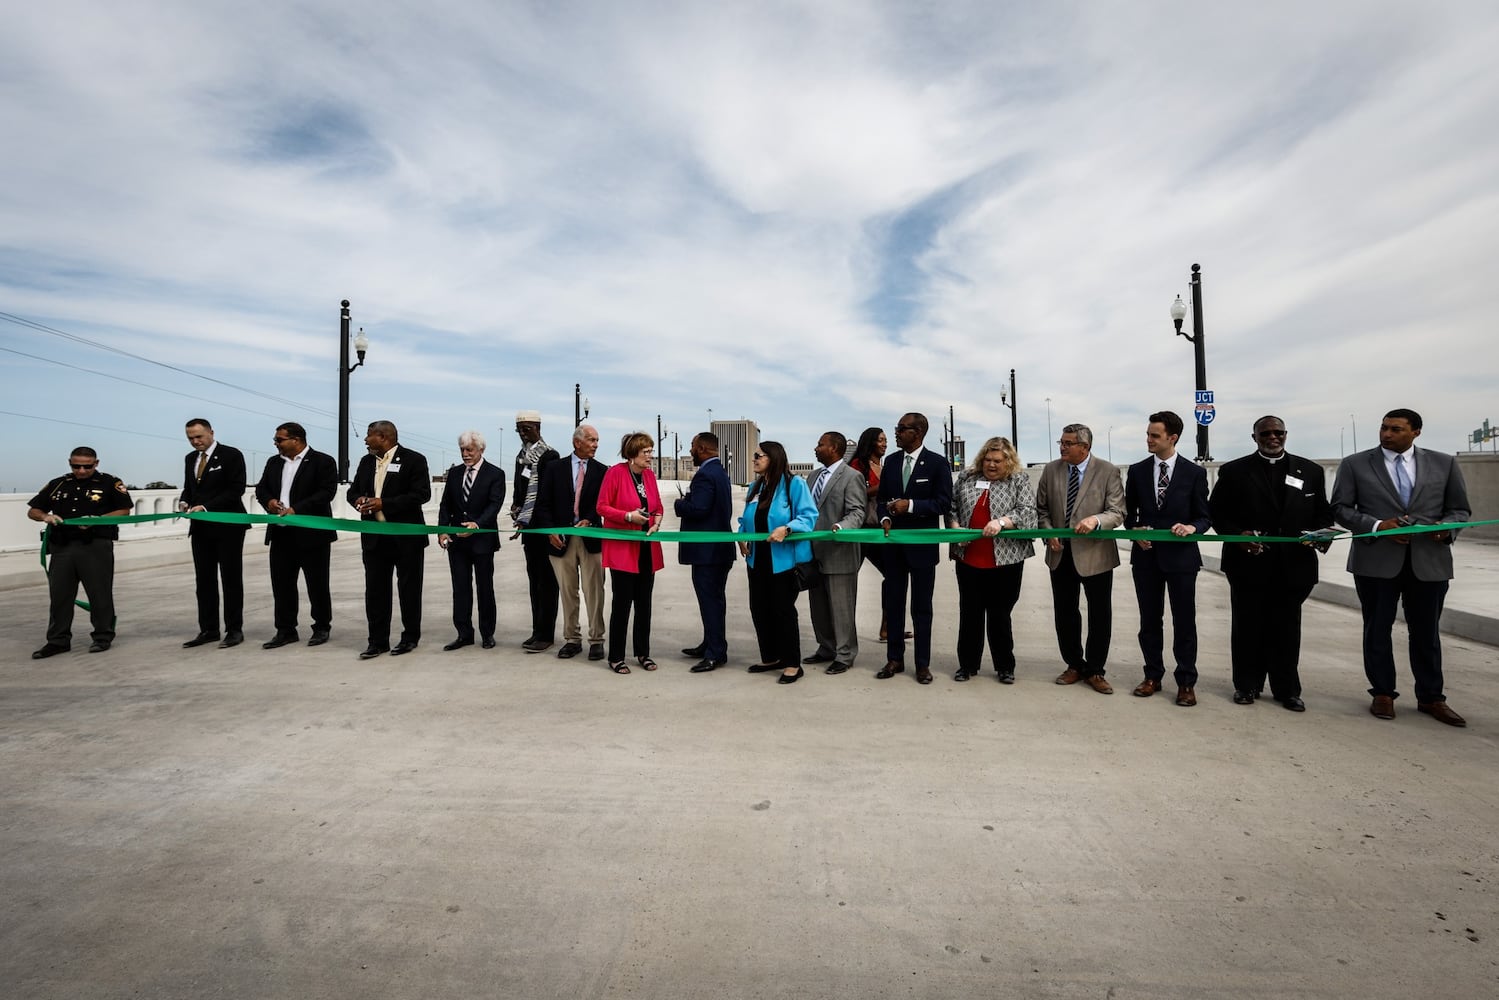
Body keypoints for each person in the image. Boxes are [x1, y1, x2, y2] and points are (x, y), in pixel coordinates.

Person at [1332, 408, 1472, 726]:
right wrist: (1380, 525)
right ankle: (1382, 693)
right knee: (1376, 629)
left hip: (1429, 563)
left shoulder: (1444, 463)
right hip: (1376, 563)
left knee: (1426, 633)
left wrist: (1445, 529)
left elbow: (1459, 509)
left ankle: (1431, 698)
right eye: (1384, 428)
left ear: (1416, 432)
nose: (1386, 434)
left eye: (1396, 429)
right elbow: (1340, 508)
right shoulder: (1355, 464)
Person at [1210, 415, 1333, 711]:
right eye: (1266, 433)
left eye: (1278, 432)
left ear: (1286, 435)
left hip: (1295, 566)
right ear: (1255, 437)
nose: (1273, 437)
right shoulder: (1234, 471)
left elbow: (1323, 515)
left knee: (1287, 629)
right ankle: (1246, 685)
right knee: (1247, 627)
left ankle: (1286, 689)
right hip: (1248, 564)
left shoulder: (1312, 471)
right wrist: (1238, 535)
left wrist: (1319, 534)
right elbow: (1217, 514)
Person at [1123, 411, 1212, 707]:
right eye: (1148, 434)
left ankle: (1186, 681)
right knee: (1149, 620)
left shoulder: (1194, 473)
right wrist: (1136, 531)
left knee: (1184, 621)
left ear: (1172, 438)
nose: (1148, 440)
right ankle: (1152, 676)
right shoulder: (1136, 471)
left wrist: (1191, 528)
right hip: (1146, 558)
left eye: (1155, 436)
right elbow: (1129, 515)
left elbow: (1204, 516)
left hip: (1182, 559)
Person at [1035, 422, 1125, 694]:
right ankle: (1074, 664)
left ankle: (1095, 670)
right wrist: (1048, 534)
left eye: (1068, 443)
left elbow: (1117, 512)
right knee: (1065, 613)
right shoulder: (1051, 470)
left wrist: (1096, 520)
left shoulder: (1108, 471)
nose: (1062, 447)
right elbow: (1041, 510)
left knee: (1099, 614)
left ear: (1085, 447)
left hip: (1096, 555)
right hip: (1060, 554)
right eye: (1061, 442)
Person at [947, 436, 1036, 684]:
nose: (992, 465)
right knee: (970, 614)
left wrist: (1001, 522)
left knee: (999, 615)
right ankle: (967, 665)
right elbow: (952, 506)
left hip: (1005, 560)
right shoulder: (967, 478)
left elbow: (1028, 512)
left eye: (997, 461)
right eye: (987, 459)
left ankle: (1005, 667)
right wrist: (956, 529)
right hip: (969, 557)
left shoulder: (1018, 480)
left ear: (1008, 461)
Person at [28, 447, 132, 658]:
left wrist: (97, 520)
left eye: (87, 466)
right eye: (77, 466)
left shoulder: (110, 483)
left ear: (96, 463)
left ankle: (102, 637)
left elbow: (124, 510)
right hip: (62, 547)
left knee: (99, 594)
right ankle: (57, 640)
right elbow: (33, 510)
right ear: (70, 463)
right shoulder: (59, 483)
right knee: (60, 596)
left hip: (95, 545)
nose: (82, 470)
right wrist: (45, 517)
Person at [876, 413, 953, 685]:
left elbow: (943, 504)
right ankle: (894, 659)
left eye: (901, 429)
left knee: (921, 608)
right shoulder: (892, 462)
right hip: (894, 548)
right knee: (894, 604)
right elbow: (882, 499)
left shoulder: (937, 464)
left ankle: (922, 664)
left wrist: (909, 505)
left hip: (922, 548)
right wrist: (885, 516)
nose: (895, 433)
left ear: (918, 432)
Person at [347, 421, 430, 659]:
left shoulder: (414, 460)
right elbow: (352, 491)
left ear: (383, 437)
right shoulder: (366, 462)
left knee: (409, 590)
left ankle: (410, 637)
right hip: (374, 538)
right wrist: (359, 500)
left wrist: (385, 503)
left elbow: (421, 494)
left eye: (368, 436)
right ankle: (377, 641)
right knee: (375, 590)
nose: (365, 440)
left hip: (406, 539)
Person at [737, 441, 819, 684]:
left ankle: (793, 663)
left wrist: (787, 528)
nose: (754, 459)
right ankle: (771, 657)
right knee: (759, 609)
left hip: (784, 561)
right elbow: (747, 518)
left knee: (783, 611)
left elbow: (808, 516)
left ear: (773, 458)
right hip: (757, 559)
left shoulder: (795, 485)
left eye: (758, 455)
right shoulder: (755, 486)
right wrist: (742, 536)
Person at [254, 422, 338, 649]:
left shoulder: (323, 461)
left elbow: (326, 493)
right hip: (281, 534)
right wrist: (269, 502)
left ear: (296, 440)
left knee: (317, 584)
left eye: (279, 440)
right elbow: (261, 489)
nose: (276, 444)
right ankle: (285, 629)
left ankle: (321, 627)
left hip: (313, 534)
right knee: (282, 585)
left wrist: (296, 509)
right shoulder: (273, 463)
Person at [533, 424, 608, 661]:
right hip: (560, 541)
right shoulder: (554, 469)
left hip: (591, 540)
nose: (596, 444)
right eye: (592, 440)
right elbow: (542, 504)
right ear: (577, 442)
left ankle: (596, 639)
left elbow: (604, 505)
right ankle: (572, 639)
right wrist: (550, 532)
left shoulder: (602, 471)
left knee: (594, 591)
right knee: (567, 592)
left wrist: (591, 519)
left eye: (597, 440)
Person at [596, 432, 665, 674]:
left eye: (651, 451)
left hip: (646, 548)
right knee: (622, 604)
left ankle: (642, 652)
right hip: (623, 551)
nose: (650, 456)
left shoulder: (649, 475)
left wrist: (656, 521)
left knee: (644, 604)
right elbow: (602, 507)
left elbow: (657, 507)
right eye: (646, 452)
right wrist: (628, 517)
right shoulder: (615, 473)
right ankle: (616, 656)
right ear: (632, 454)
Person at [178, 418, 249, 649]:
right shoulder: (190, 459)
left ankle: (234, 629)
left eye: (199, 436)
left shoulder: (231, 455)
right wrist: (184, 501)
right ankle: (208, 629)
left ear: (211, 433)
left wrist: (207, 507)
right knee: (204, 580)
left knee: (230, 579)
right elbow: (190, 487)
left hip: (228, 526)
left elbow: (236, 489)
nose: (195, 441)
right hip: (200, 528)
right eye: (191, 438)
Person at [437, 430, 506, 650]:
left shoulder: (495, 474)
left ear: (481, 450)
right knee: (460, 589)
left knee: (485, 588)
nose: (466, 454)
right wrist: (442, 530)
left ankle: (487, 633)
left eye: (470, 450)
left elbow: (494, 505)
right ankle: (464, 633)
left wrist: (477, 525)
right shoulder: (455, 473)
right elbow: (445, 504)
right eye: (462, 450)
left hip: (482, 541)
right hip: (457, 543)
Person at [804, 431, 865, 675]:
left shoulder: (852, 477)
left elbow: (857, 512)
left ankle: (845, 654)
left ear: (835, 448)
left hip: (839, 552)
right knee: (818, 607)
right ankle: (826, 647)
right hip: (813, 553)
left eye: (820, 445)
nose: (816, 448)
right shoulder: (812, 476)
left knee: (841, 608)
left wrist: (840, 527)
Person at [674, 431, 736, 673]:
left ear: (702, 448)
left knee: (710, 601)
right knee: (714, 601)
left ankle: (715, 653)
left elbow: (698, 509)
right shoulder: (719, 472)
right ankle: (711, 643)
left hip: (707, 553)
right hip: (718, 551)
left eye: (692, 446)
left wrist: (680, 504)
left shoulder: (705, 475)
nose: (690, 451)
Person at [512, 410, 561, 653]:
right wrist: (516, 507)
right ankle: (536, 630)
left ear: (538, 428)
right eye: (519, 430)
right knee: (534, 583)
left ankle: (547, 633)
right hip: (529, 530)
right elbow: (519, 492)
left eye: (527, 429)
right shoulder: (521, 458)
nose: (523, 434)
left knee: (547, 583)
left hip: (545, 528)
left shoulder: (550, 456)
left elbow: (551, 493)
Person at [849, 426, 894, 641]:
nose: (885, 444)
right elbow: (853, 494)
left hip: (880, 530)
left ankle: (887, 627)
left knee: (893, 575)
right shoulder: (858, 465)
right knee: (848, 579)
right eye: (881, 440)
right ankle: (845, 631)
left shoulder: (886, 467)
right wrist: (882, 487)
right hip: (860, 529)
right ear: (870, 442)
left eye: (886, 440)